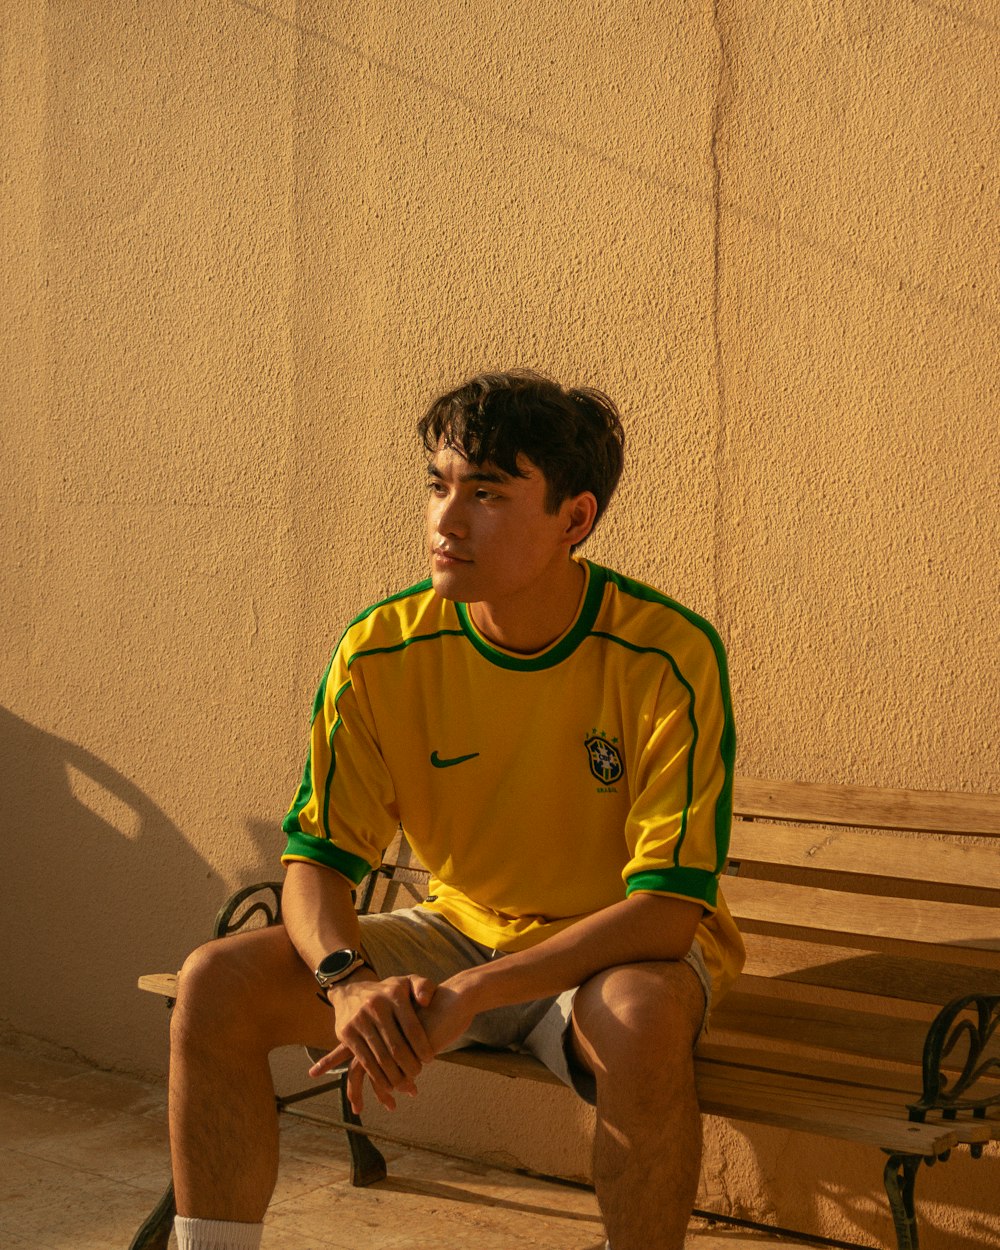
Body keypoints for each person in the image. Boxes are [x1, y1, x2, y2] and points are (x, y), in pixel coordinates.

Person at [168, 370, 744, 1250]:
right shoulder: (381, 650)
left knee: (640, 1017)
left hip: (610, 954)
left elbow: (666, 912)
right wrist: (346, 979)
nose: (447, 519)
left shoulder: (666, 655)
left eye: (487, 494)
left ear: (575, 519)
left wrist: (473, 994)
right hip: (461, 930)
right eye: (438, 486)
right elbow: (317, 860)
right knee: (216, 981)